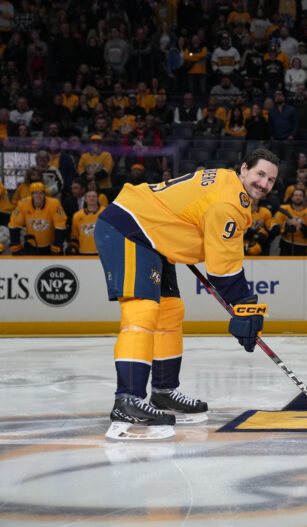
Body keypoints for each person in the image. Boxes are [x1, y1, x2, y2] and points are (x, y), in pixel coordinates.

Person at [94, 148, 279, 441]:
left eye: (270, 180)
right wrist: (245, 306)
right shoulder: (229, 203)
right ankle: (127, 399)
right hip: (129, 228)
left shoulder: (226, 182)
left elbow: (190, 212)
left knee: (170, 310)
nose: (264, 184)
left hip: (154, 236)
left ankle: (164, 391)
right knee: (141, 311)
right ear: (243, 169)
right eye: (260, 174)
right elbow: (223, 270)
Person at [9, 182, 67, 255]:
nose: (38, 196)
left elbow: (60, 224)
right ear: (31, 195)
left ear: (45, 194)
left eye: (41, 193)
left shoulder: (54, 204)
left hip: (50, 245)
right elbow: (14, 223)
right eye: (35, 193)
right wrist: (15, 242)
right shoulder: (23, 204)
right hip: (31, 244)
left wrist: (58, 243)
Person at [270, 188, 307, 256]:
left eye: (300, 195)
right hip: (286, 245)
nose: (298, 197)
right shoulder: (284, 209)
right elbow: (273, 227)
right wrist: (285, 226)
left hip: (304, 247)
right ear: (292, 198)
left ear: (303, 198)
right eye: (296, 195)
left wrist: (300, 225)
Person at [66, 189, 105, 255]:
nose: (91, 198)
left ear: (98, 199)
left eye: (94, 196)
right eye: (89, 196)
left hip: (102, 253)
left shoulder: (105, 212)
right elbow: (75, 236)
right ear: (85, 199)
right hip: (83, 252)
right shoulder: (77, 216)